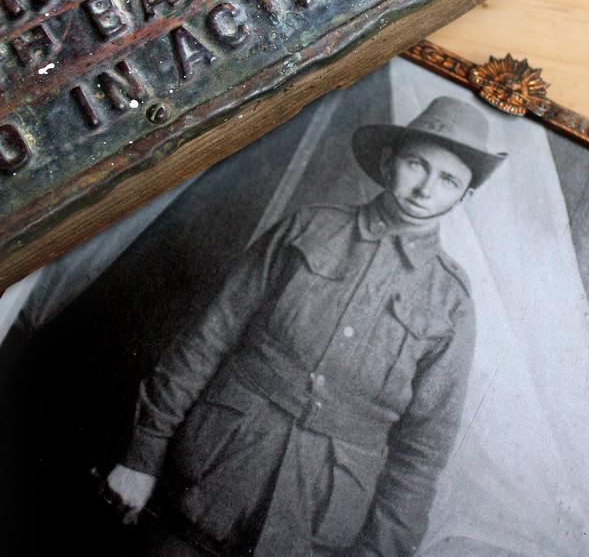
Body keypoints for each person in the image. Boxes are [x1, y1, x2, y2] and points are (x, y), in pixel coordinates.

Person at [104, 95, 506, 556]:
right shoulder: (308, 229)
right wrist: (142, 456)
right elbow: (209, 337)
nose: (425, 189)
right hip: (208, 472)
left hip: (313, 522)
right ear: (389, 160)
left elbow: (423, 450)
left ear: (465, 196)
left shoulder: (450, 303)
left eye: (449, 180)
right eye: (418, 164)